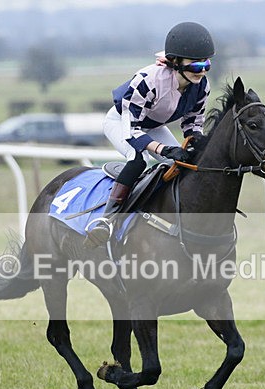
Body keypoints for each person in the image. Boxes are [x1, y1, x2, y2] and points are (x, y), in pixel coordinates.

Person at [84, 21, 214, 247]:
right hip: (122, 122)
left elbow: (193, 125)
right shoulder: (147, 80)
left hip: (153, 125)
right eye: (195, 66)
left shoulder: (202, 86)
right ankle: (106, 220)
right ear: (175, 62)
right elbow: (132, 130)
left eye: (206, 65)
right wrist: (163, 149)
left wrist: (196, 147)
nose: (202, 71)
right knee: (138, 160)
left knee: (185, 164)